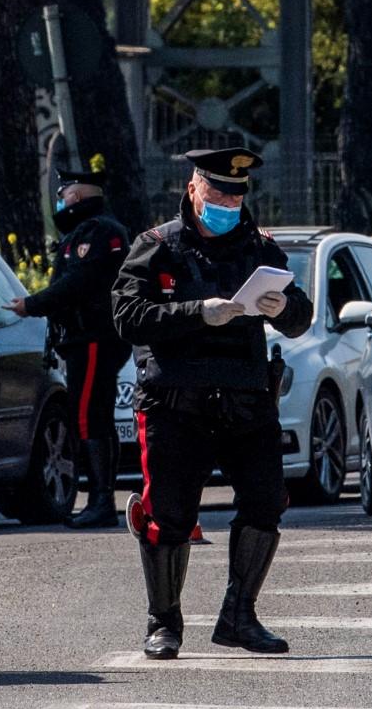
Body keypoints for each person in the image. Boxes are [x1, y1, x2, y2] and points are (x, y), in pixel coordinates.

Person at [111, 146, 312, 661]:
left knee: (267, 502)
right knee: (169, 514)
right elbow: (128, 317)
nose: (227, 201)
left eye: (236, 193)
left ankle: (240, 617)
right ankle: (164, 623)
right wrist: (198, 312)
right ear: (194, 188)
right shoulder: (156, 246)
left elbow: (300, 316)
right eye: (218, 191)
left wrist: (283, 306)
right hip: (176, 403)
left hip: (246, 401)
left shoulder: (260, 247)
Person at [4, 168, 132, 529]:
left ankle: (102, 501)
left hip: (94, 337)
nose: (60, 201)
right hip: (84, 338)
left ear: (76, 197)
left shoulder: (98, 231)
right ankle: (101, 499)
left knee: (89, 416)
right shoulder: (88, 230)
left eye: (65, 194)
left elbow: (78, 282)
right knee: (95, 417)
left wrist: (32, 304)